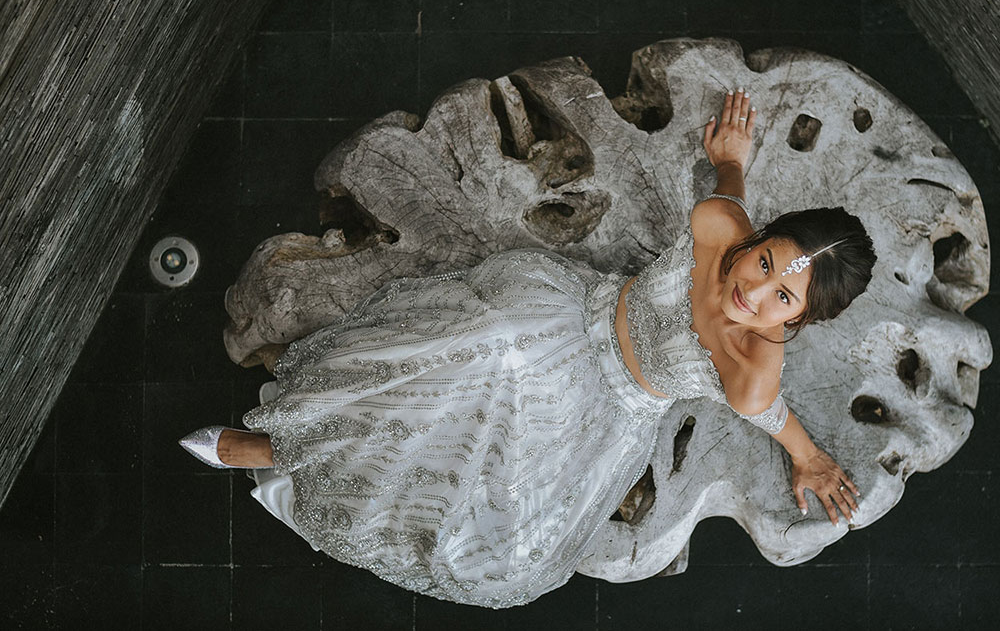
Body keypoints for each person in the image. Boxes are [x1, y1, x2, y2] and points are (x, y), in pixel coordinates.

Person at [179, 87, 877, 608]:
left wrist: (809, 457)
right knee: (488, 346)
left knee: (506, 538)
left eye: (781, 299)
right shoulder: (723, 223)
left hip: (605, 405)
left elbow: (769, 412)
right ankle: (284, 442)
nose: (754, 291)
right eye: (765, 262)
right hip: (566, 314)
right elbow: (730, 188)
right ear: (758, 240)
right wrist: (730, 158)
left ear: (797, 322)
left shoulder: (753, 369)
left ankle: (312, 465)